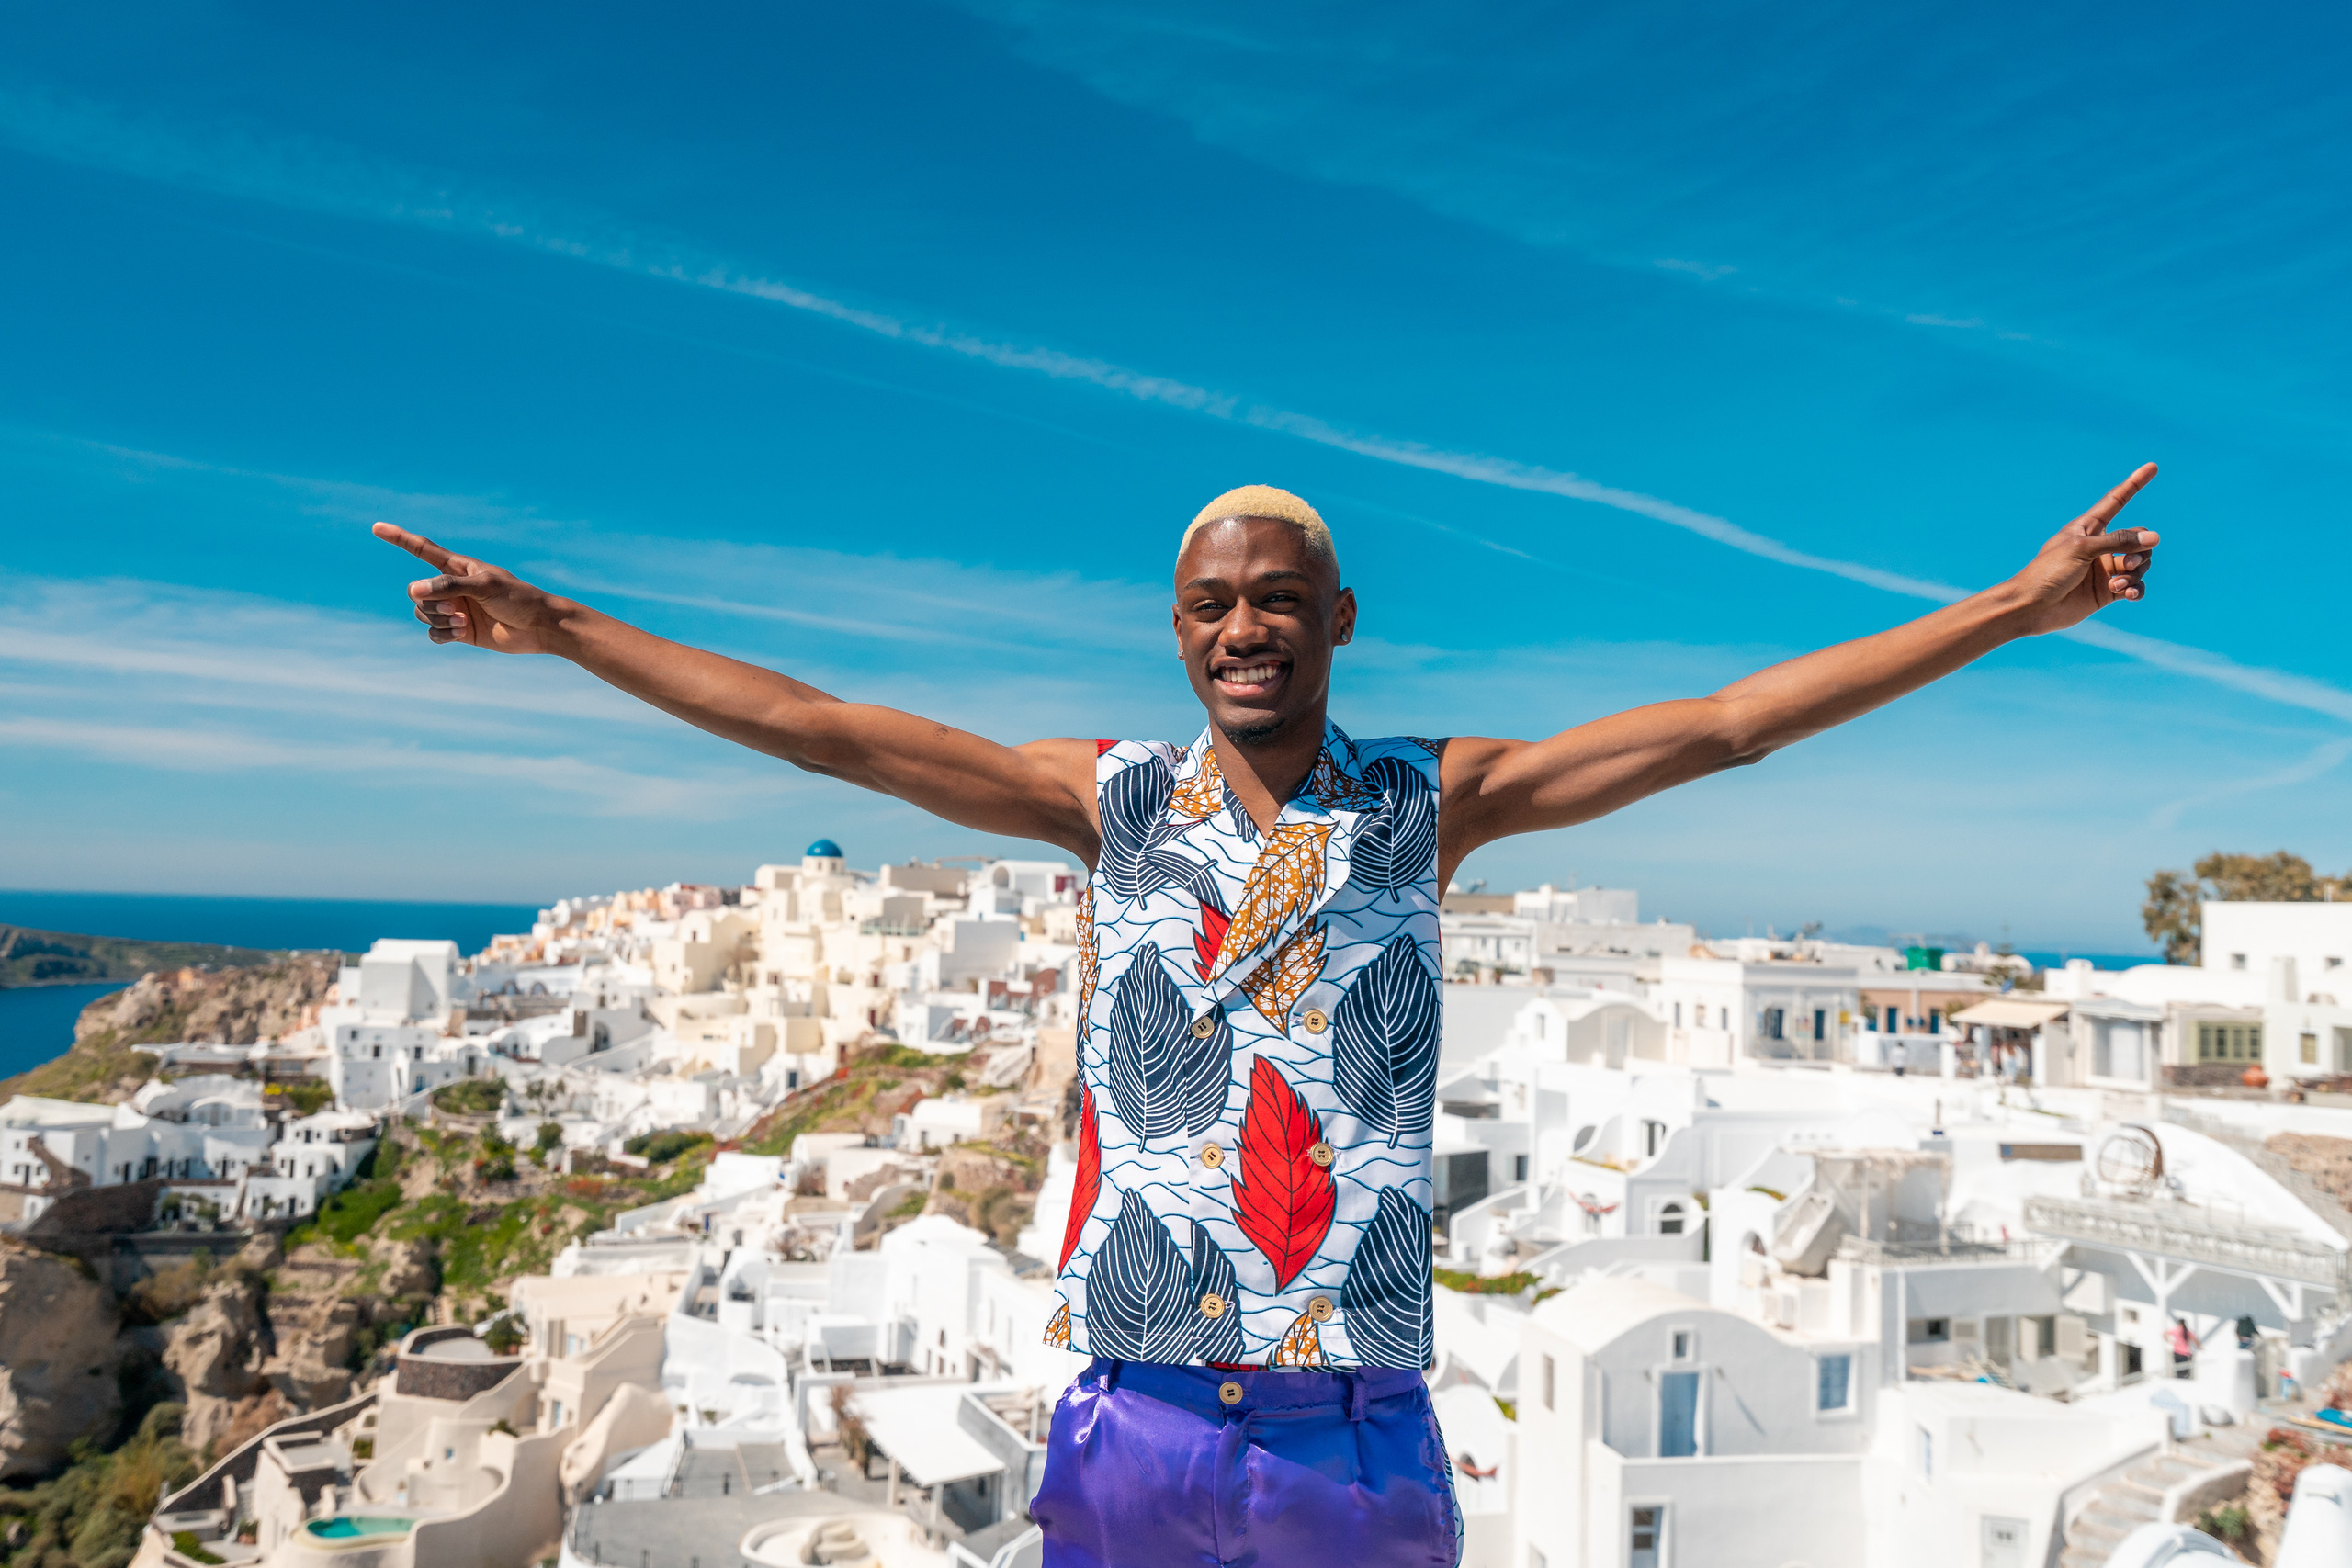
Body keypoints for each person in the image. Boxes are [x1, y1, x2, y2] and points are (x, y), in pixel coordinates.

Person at [375, 468, 2160, 1567]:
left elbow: (1722, 721)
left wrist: (2015, 605)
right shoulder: (1109, 799)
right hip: (1131, 1413)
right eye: (1213, 602)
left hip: (1352, 1421)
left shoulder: (1424, 801)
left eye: (1278, 600)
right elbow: (818, 727)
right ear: (1176, 625)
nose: (1246, 628)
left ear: (1335, 621)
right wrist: (565, 629)